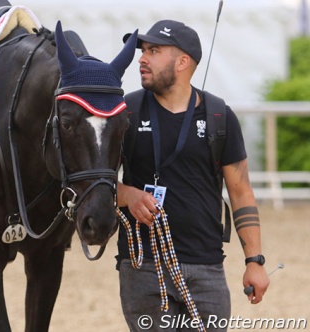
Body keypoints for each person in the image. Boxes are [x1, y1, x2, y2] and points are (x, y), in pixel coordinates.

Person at [116, 19, 270, 331]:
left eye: (154, 51)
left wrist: (255, 261)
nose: (142, 58)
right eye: (142, 50)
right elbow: (93, 183)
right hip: (144, 267)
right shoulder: (124, 112)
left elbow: (241, 192)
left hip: (207, 267)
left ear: (183, 62)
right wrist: (127, 195)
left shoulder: (218, 116)